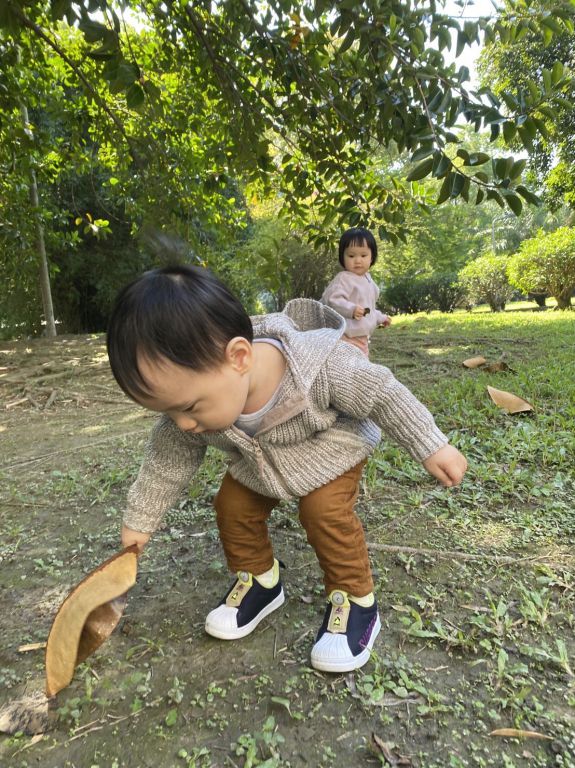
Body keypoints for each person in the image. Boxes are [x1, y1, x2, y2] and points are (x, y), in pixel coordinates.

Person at [106, 264, 467, 673]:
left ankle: (356, 603)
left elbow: (383, 393)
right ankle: (261, 581)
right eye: (167, 412)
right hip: (262, 463)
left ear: (239, 357)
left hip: (332, 447)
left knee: (323, 511)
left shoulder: (320, 366)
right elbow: (165, 462)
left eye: (188, 407)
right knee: (232, 506)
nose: (183, 423)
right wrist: (138, 524)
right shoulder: (190, 413)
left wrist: (431, 445)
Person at [321, 227, 391, 357]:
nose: (358, 260)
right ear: (343, 257)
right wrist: (351, 309)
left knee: (361, 366)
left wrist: (381, 317)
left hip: (362, 337)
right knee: (349, 365)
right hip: (345, 336)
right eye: (351, 255)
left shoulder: (368, 280)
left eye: (363, 255)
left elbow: (368, 308)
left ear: (372, 257)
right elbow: (332, 300)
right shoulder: (344, 278)